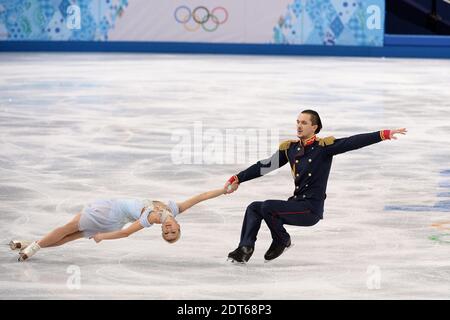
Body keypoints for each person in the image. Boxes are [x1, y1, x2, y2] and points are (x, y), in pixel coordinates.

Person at [224, 109, 407, 264]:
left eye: (304, 122)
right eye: (297, 122)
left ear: (314, 127)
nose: (299, 126)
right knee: (254, 207)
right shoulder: (290, 149)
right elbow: (265, 166)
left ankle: (282, 240)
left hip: (310, 210)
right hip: (296, 203)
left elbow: (353, 142)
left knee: (267, 206)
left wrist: (383, 134)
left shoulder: (323, 147)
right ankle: (245, 249)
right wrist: (238, 178)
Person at [10, 187, 227, 262]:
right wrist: (225, 189)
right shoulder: (174, 208)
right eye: (173, 232)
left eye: (167, 233)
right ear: (178, 227)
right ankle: (30, 243)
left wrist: (102, 237)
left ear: (162, 229)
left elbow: (126, 235)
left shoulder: (152, 218)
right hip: (114, 217)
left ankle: (32, 249)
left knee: (69, 229)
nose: (169, 230)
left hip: (108, 212)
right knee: (69, 237)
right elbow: (202, 196)